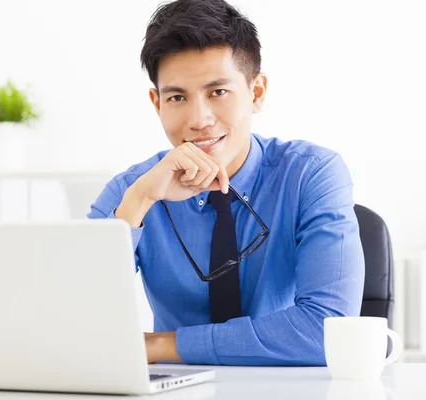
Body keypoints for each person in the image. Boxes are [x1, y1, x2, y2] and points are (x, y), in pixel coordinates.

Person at [88, 0, 365, 366]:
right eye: (177, 97)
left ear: (257, 93)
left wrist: (162, 346)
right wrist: (138, 202)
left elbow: (327, 331)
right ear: (157, 104)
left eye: (217, 92)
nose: (199, 119)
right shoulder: (132, 189)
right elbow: (73, 320)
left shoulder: (312, 174)